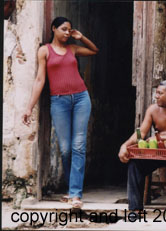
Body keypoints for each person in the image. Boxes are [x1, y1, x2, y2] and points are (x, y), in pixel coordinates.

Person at [22, 17, 99, 209]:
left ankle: (75, 194)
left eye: (69, 30)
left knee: (78, 145)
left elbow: (94, 50)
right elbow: (40, 80)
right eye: (64, 29)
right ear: (53, 28)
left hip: (81, 98)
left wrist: (81, 37)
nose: (67, 33)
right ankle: (71, 188)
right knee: (65, 148)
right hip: (59, 102)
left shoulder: (72, 49)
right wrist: (29, 107)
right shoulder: (44, 51)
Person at [118, 80, 166, 225]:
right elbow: (141, 134)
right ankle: (135, 210)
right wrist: (125, 145)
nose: (156, 96)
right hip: (158, 152)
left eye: (160, 93)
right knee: (135, 163)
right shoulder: (152, 110)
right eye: (156, 93)